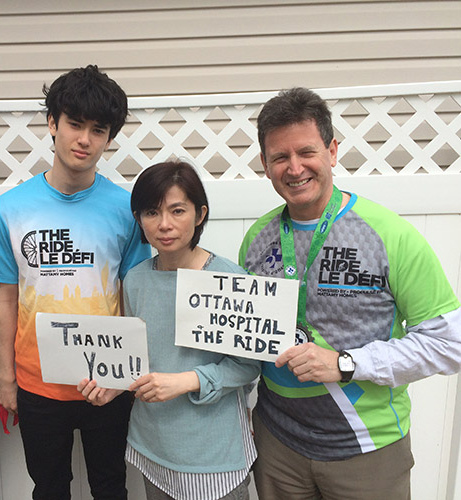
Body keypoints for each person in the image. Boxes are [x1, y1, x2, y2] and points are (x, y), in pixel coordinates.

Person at [239, 87, 461, 499]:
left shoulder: (390, 234)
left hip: (366, 448)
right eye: (279, 157)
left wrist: (347, 362)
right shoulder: (256, 238)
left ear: (332, 151)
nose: (294, 168)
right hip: (278, 445)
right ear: (265, 166)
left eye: (306, 152)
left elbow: (450, 344)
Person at [0, 65, 151, 500]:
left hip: (107, 381)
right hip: (36, 384)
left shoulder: (126, 208)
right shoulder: (10, 208)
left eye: (98, 129)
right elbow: (5, 297)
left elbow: (134, 295)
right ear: (52, 123)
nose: (84, 140)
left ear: (109, 138)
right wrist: (7, 377)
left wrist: (127, 376)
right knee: (49, 488)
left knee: (111, 487)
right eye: (74, 124)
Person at [81, 161, 261, 500]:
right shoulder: (135, 279)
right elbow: (137, 357)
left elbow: (249, 365)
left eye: (177, 210)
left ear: (200, 214)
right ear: (139, 219)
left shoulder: (230, 280)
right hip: (154, 446)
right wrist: (114, 385)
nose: (164, 225)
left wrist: (185, 380)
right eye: (151, 212)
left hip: (214, 455)